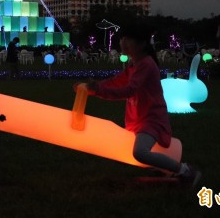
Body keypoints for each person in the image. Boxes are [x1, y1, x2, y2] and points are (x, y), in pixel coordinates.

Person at [73, 23, 201, 187]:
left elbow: (129, 90)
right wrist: (92, 87)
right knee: (139, 150)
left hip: (152, 119)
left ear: (142, 44)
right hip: (140, 120)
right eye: (123, 38)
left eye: (129, 39)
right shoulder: (134, 65)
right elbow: (116, 81)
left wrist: (98, 91)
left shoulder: (146, 65)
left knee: (139, 152)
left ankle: (185, 170)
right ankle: (164, 167)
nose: (124, 42)